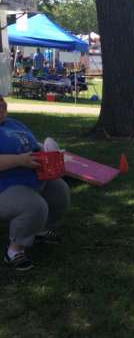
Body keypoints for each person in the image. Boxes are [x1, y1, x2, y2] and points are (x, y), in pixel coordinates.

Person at [0, 95, 70, 271]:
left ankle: (39, 229)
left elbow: (32, 143)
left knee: (59, 192)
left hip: (33, 178)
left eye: (2, 102)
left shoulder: (14, 123)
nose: (1, 105)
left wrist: (45, 151)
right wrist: (19, 161)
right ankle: (14, 250)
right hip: (5, 187)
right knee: (34, 206)